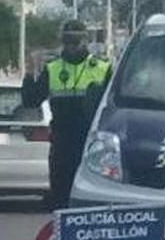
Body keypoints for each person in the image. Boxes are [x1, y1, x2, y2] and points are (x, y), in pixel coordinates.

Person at [23, 20, 111, 208]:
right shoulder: (53, 68)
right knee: (60, 201)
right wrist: (30, 72)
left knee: (92, 200)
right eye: (67, 41)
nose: (71, 46)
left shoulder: (102, 68)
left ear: (85, 41)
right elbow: (30, 101)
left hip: (91, 145)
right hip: (62, 145)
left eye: (75, 41)